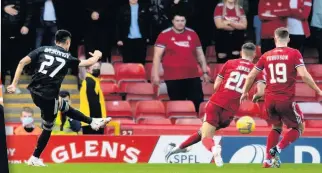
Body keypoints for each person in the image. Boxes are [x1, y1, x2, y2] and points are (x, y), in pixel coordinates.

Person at [6, 29, 112, 166]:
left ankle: (92, 121)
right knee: (48, 127)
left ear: (55, 41)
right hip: (48, 96)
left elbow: (21, 62)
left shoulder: (42, 49)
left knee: (63, 105)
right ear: (68, 42)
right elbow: (88, 62)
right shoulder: (67, 57)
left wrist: (14, 84)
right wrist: (98, 55)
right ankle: (34, 158)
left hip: (34, 92)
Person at [166, 43, 266, 166]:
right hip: (231, 109)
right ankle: (180, 147)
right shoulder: (257, 70)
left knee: (206, 138)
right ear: (255, 54)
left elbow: (216, 85)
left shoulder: (230, 63)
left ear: (241, 52)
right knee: (203, 131)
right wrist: (255, 97)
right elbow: (261, 91)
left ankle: (214, 149)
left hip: (217, 103)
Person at [241, 27, 322, 168]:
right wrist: (318, 90)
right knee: (299, 127)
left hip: (269, 100)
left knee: (276, 127)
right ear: (288, 39)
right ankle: (277, 149)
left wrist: (244, 92)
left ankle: (266, 161)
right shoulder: (294, 53)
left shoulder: (266, 55)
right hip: (285, 99)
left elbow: (251, 75)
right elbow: (303, 75)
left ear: (275, 38)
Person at [152, 11, 211, 112]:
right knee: (178, 106)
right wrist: (155, 75)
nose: (180, 23)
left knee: (198, 104)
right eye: (177, 20)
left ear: (185, 21)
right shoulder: (164, 34)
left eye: (182, 20)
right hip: (173, 77)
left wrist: (205, 72)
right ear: (173, 21)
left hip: (192, 76)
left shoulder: (192, 34)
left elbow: (200, 54)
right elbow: (157, 56)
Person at [80, 62, 107, 135]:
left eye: (98, 67)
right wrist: (99, 121)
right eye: (94, 67)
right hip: (92, 122)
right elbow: (93, 103)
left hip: (94, 121)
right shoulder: (89, 82)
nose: (97, 69)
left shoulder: (95, 81)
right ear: (88, 69)